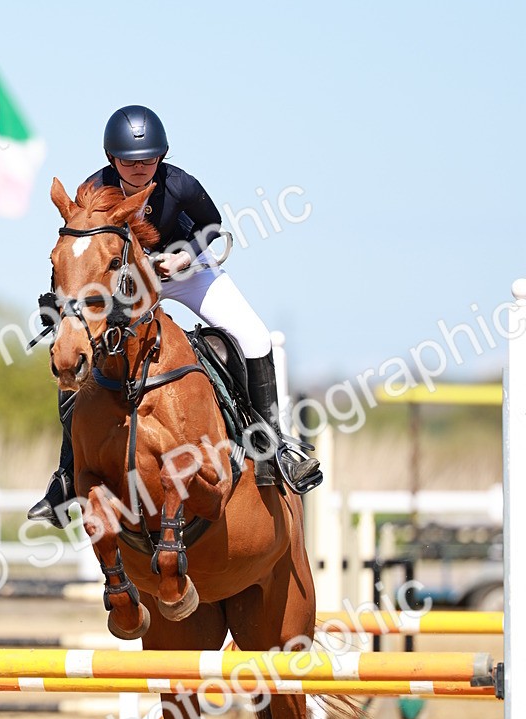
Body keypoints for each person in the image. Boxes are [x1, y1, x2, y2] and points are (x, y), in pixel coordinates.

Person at [28, 104, 322, 526]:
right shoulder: (93, 189)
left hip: (188, 272)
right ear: (112, 159)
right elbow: (82, 248)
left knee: (254, 337)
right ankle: (64, 477)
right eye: (130, 161)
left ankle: (272, 447)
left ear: (161, 157)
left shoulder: (179, 185)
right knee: (77, 351)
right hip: (126, 282)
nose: (140, 169)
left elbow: (212, 225)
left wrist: (182, 257)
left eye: (148, 160)